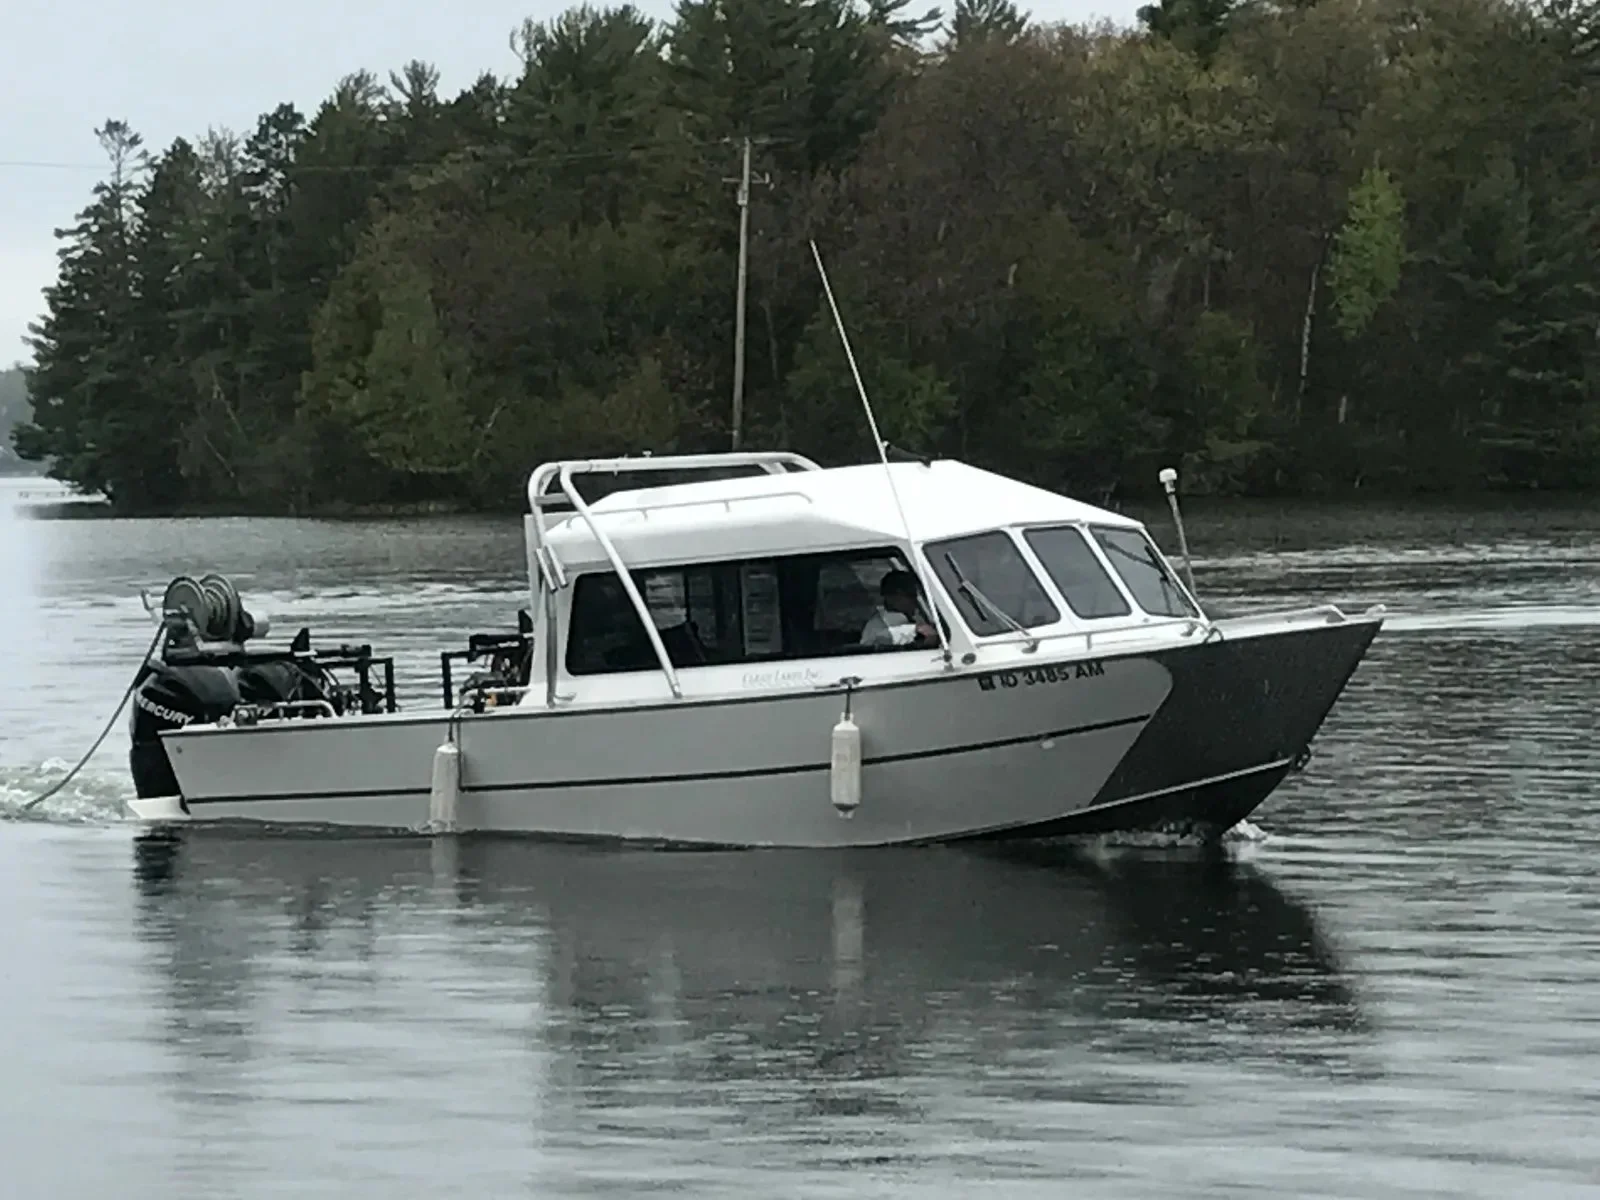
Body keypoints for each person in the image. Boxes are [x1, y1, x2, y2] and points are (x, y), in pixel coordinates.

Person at [859, 569, 938, 649]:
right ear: (892, 597)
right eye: (910, 595)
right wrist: (915, 630)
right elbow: (876, 641)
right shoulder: (875, 625)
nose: (915, 601)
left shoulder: (917, 619)